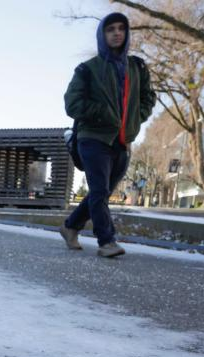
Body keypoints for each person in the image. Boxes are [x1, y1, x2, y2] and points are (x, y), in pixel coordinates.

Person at [61, 12, 155, 258]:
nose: (116, 33)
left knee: (99, 193)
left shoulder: (137, 67)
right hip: (93, 138)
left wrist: (135, 118)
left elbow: (148, 98)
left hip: (123, 141)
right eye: (110, 29)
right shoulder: (87, 69)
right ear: (102, 34)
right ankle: (107, 241)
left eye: (121, 28)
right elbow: (72, 104)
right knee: (101, 192)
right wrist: (104, 113)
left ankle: (70, 226)